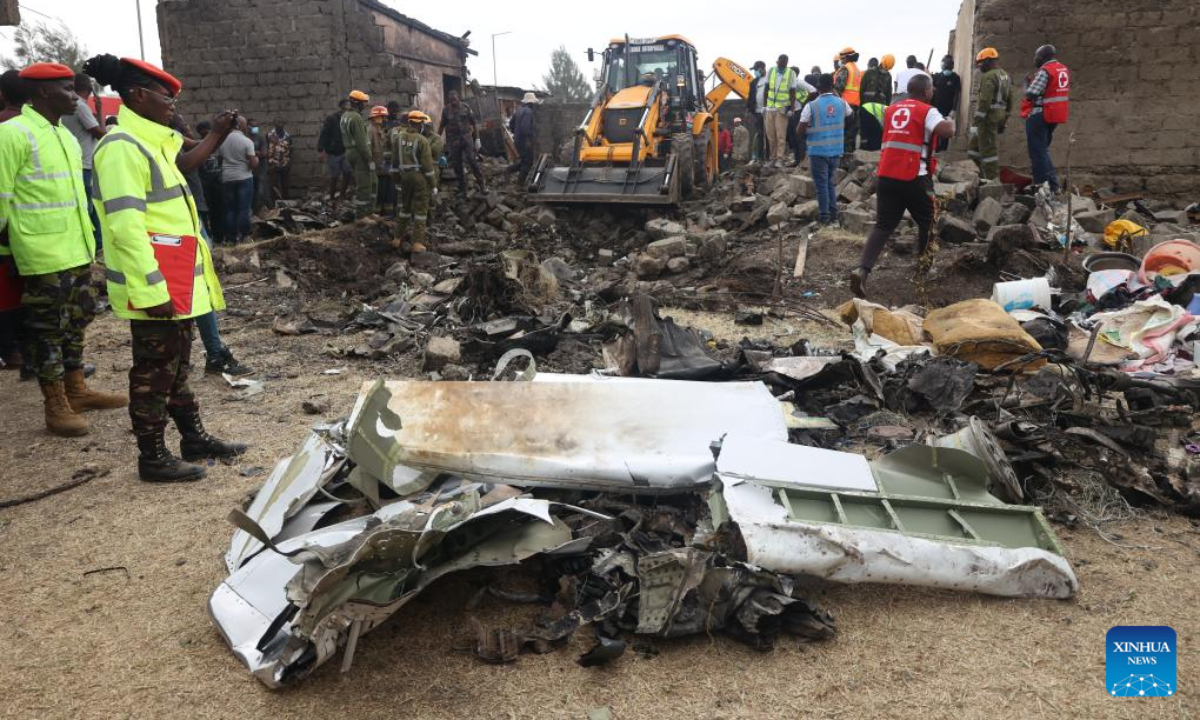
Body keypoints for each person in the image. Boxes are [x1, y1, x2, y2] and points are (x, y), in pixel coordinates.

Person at [84, 53, 246, 482]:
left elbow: (186, 162)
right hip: (154, 282)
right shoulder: (120, 149)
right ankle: (152, 457)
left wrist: (218, 131)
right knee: (154, 373)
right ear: (138, 95)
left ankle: (193, 438)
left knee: (177, 366)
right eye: (165, 96)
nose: (172, 104)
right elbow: (124, 226)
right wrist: (152, 288)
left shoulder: (153, 138)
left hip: (175, 277)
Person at [0, 62, 128, 437]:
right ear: (42, 93)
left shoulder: (65, 137)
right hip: (41, 254)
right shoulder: (12, 134)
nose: (76, 96)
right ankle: (55, 403)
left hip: (76, 248)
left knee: (77, 321)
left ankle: (77, 390)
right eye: (68, 89)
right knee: (46, 330)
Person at [849, 74, 955, 299]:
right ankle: (923, 270)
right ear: (926, 91)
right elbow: (946, 131)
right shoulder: (927, 110)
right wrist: (951, 121)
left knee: (883, 226)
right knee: (929, 222)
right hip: (915, 177)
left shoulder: (891, 109)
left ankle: (862, 271)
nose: (933, 92)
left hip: (887, 176)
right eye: (932, 89)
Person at [171, 113, 254, 378]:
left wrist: (219, 134)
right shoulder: (160, 143)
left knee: (199, 290)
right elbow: (189, 161)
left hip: (189, 220)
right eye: (179, 119)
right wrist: (217, 133)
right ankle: (193, 356)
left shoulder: (169, 138)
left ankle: (212, 353)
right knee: (190, 293)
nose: (185, 122)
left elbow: (199, 147)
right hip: (178, 226)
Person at [60, 74, 107, 253]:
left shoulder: (68, 106)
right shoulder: (81, 105)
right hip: (86, 165)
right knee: (90, 208)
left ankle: (96, 244)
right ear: (90, 89)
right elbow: (101, 134)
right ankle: (95, 246)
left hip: (77, 164)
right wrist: (100, 111)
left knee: (89, 207)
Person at [799, 74, 850, 225]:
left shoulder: (811, 105)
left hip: (817, 151)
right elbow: (851, 117)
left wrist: (808, 131)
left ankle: (825, 218)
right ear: (833, 86)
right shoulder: (841, 103)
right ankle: (833, 216)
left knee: (821, 185)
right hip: (835, 150)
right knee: (829, 183)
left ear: (818, 87)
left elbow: (799, 130)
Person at [1025, 44, 1070, 192]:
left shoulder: (1045, 70)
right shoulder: (1063, 69)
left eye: (1036, 56)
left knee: (1037, 152)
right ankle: (1054, 185)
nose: (1034, 59)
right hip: (1054, 116)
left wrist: (1027, 85)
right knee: (1043, 151)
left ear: (1044, 57)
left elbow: (1031, 94)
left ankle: (1041, 187)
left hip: (1040, 114)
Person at [392, 110, 436, 254]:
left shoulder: (398, 138)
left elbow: (394, 161)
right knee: (420, 210)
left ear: (410, 122)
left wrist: (396, 180)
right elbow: (428, 166)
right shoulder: (422, 140)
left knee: (404, 208)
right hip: (419, 178)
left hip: (404, 177)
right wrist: (433, 184)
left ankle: (397, 238)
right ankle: (417, 243)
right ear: (420, 124)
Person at [969, 48, 1012, 181]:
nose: (979, 66)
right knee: (973, 148)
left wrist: (977, 118)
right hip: (998, 116)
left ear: (988, 61)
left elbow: (985, 100)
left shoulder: (988, 76)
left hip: (987, 119)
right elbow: (1011, 99)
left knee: (988, 152)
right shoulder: (1005, 75)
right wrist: (1005, 118)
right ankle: (976, 176)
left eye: (981, 63)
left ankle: (993, 182)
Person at [438, 91, 487, 197]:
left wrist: (477, 139)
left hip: (466, 139)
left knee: (472, 161)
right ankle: (462, 189)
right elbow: (442, 125)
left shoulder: (466, 108)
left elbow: (474, 123)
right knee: (457, 165)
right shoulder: (446, 110)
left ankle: (482, 185)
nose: (453, 102)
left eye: (454, 99)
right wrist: (437, 139)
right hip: (454, 141)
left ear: (458, 98)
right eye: (451, 100)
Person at [218, 117, 258, 244]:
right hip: (244, 178)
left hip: (227, 179)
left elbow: (220, 161)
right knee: (243, 209)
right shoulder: (247, 141)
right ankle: (245, 236)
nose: (247, 127)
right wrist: (255, 159)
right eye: (246, 124)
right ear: (240, 125)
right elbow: (253, 164)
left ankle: (230, 238)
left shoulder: (222, 142)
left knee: (230, 209)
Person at [340, 90, 376, 218]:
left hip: (350, 151)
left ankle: (368, 212)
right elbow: (362, 142)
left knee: (365, 183)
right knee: (364, 185)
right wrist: (369, 159)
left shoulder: (345, 116)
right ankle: (362, 216)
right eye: (364, 103)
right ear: (358, 103)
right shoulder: (356, 118)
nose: (365, 105)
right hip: (358, 153)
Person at [761, 55, 799, 167]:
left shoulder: (790, 73)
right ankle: (772, 158)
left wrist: (791, 108)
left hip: (782, 108)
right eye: (780, 62)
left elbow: (792, 92)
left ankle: (780, 158)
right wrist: (764, 106)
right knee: (770, 134)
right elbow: (766, 88)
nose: (782, 65)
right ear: (777, 61)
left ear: (787, 62)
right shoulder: (771, 70)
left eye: (784, 63)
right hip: (770, 107)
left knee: (781, 134)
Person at [195, 121, 225, 242]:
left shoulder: (216, 143)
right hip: (206, 183)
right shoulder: (198, 145)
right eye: (204, 131)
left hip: (218, 181)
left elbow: (222, 159)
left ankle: (220, 235)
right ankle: (215, 236)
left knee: (220, 209)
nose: (206, 133)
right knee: (211, 210)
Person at [318, 99, 353, 203]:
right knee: (335, 175)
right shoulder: (332, 119)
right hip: (333, 152)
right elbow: (324, 134)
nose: (349, 107)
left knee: (347, 173)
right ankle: (332, 198)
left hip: (345, 151)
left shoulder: (349, 119)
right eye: (347, 105)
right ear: (342, 106)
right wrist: (321, 150)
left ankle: (342, 196)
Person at [858, 58, 892, 151]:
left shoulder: (871, 72)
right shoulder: (886, 75)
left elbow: (862, 88)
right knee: (871, 128)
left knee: (870, 128)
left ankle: (869, 148)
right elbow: (888, 93)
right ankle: (869, 148)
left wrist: (861, 103)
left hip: (870, 105)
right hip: (874, 106)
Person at [785, 66, 816, 166]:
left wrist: (805, 104)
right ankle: (797, 160)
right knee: (792, 138)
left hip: (798, 113)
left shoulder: (799, 82)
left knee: (799, 137)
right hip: (791, 114)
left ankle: (802, 161)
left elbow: (813, 90)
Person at [834, 48, 862, 155]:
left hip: (844, 105)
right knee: (851, 134)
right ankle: (849, 158)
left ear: (845, 57)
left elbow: (838, 87)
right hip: (855, 105)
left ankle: (841, 158)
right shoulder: (856, 70)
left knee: (843, 133)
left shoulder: (845, 69)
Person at [507, 91, 539, 184]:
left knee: (525, 160)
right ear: (531, 103)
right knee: (528, 162)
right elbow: (525, 127)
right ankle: (520, 183)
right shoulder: (529, 112)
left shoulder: (519, 110)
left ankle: (509, 170)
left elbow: (511, 123)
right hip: (525, 141)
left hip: (518, 140)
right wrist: (528, 139)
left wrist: (516, 133)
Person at [932, 55, 962, 152]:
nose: (947, 66)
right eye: (946, 64)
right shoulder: (936, 77)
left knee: (945, 130)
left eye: (949, 64)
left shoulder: (955, 78)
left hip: (948, 109)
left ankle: (943, 150)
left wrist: (953, 109)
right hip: (936, 108)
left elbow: (957, 94)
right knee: (936, 129)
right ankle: (935, 149)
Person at [367, 105, 394, 215]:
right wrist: (370, 162)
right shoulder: (370, 130)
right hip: (377, 167)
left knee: (389, 189)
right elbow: (367, 148)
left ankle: (388, 212)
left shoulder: (382, 130)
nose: (384, 119)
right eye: (382, 117)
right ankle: (378, 213)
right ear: (376, 117)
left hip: (385, 166)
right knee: (379, 191)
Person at [746, 60, 767, 162]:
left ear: (762, 68)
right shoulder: (754, 82)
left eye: (756, 70)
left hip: (768, 111)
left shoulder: (769, 80)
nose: (755, 72)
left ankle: (769, 157)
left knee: (769, 135)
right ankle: (760, 158)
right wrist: (748, 110)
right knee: (760, 134)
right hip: (757, 112)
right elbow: (750, 97)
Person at [267, 119, 292, 203]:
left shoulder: (288, 137)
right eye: (278, 124)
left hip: (284, 165)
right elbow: (266, 148)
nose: (280, 126)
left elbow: (290, 150)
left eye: (281, 123)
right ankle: (274, 205)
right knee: (273, 186)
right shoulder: (269, 136)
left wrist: (288, 163)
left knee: (285, 186)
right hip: (273, 165)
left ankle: (286, 204)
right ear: (274, 125)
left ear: (284, 125)